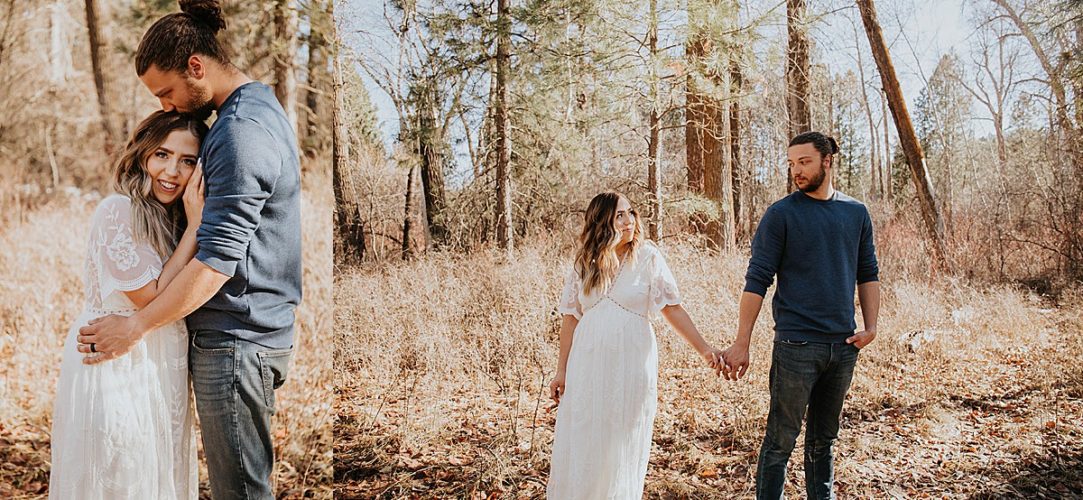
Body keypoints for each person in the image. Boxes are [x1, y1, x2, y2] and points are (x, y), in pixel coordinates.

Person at [73, 1, 303, 497]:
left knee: (239, 492)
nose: (167, 107)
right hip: (241, 337)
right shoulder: (255, 111)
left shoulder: (239, 132)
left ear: (196, 67)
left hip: (237, 340)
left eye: (168, 92)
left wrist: (135, 325)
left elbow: (218, 261)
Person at [49, 111, 207, 499]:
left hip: (157, 366)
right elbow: (152, 295)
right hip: (118, 367)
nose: (172, 171)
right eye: (162, 155)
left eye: (188, 162)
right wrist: (198, 227)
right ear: (142, 155)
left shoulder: (169, 220)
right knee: (122, 477)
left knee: (158, 477)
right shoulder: (118, 210)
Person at [720, 131, 881, 499]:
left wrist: (870, 327)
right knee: (780, 442)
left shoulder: (855, 213)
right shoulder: (781, 215)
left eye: (804, 161)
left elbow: (867, 272)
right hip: (796, 345)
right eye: (792, 163)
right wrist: (741, 342)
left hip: (843, 347)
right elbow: (757, 280)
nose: (797, 170)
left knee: (824, 441)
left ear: (827, 161)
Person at [546, 191, 723, 499]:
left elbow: (672, 308)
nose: (629, 221)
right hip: (586, 363)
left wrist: (706, 350)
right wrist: (561, 370)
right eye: (619, 215)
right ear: (602, 222)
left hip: (632, 362)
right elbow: (571, 318)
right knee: (585, 434)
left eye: (631, 213)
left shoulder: (648, 257)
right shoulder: (584, 263)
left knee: (621, 437)